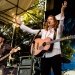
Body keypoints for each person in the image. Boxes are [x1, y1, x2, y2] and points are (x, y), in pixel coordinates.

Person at [15, 1, 67, 75]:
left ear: (55, 22)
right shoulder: (42, 31)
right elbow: (31, 30)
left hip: (55, 55)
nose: (49, 20)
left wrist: (62, 10)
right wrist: (21, 24)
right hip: (44, 56)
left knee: (57, 73)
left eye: (51, 19)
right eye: (48, 19)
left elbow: (61, 23)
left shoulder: (58, 30)